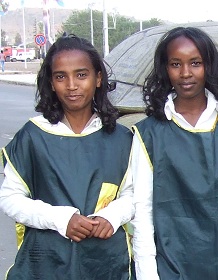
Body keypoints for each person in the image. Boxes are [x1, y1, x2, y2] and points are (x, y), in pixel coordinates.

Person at [131, 26, 218, 280]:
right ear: (165, 69)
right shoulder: (149, 135)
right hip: (171, 267)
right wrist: (148, 275)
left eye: (195, 63)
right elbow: (143, 212)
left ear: (208, 67)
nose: (185, 73)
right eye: (175, 64)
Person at [0, 34, 135, 279]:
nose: (71, 85)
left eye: (81, 75)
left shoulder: (121, 138)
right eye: (61, 76)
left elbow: (133, 194)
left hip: (105, 261)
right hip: (45, 261)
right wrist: (61, 219)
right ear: (51, 83)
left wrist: (112, 216)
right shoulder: (33, 135)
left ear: (98, 78)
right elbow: (9, 198)